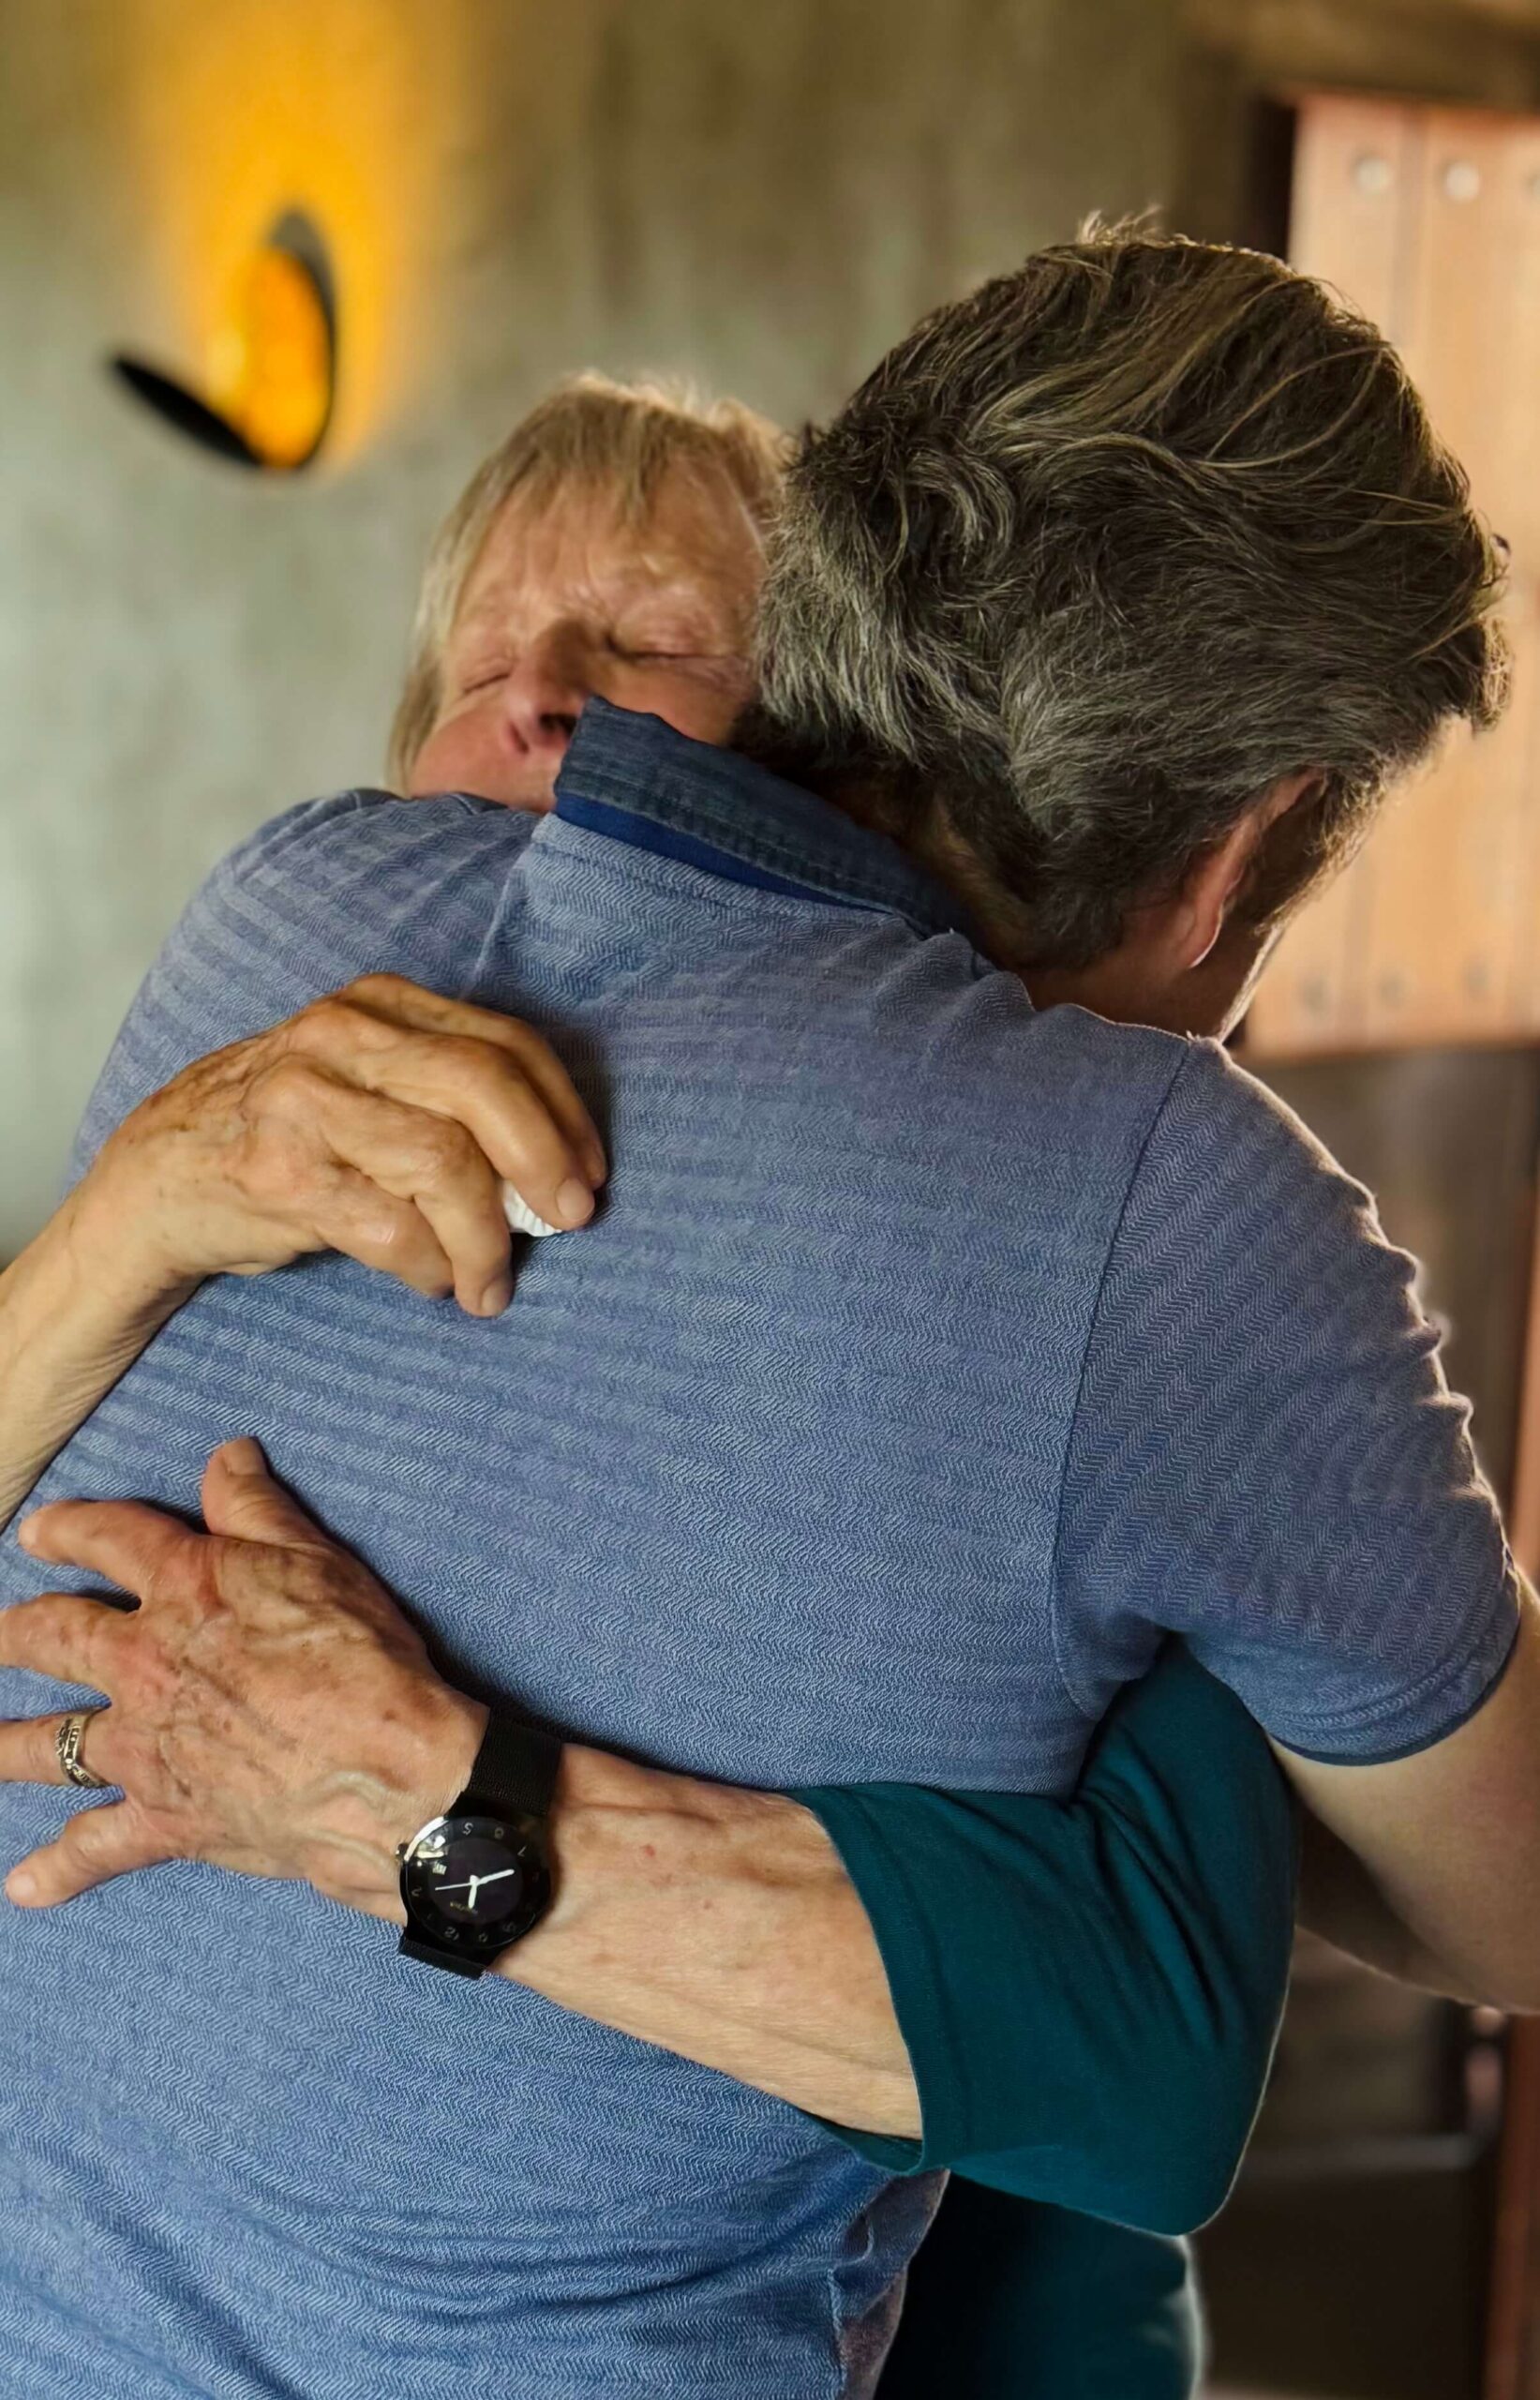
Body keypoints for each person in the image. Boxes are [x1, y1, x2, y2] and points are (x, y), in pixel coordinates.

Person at [1, 223, 1523, 2392]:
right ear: (1237, 854)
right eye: (495, 653)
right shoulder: (1170, 1205)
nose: (543, 705)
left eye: (636, 640)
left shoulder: (290, 901)